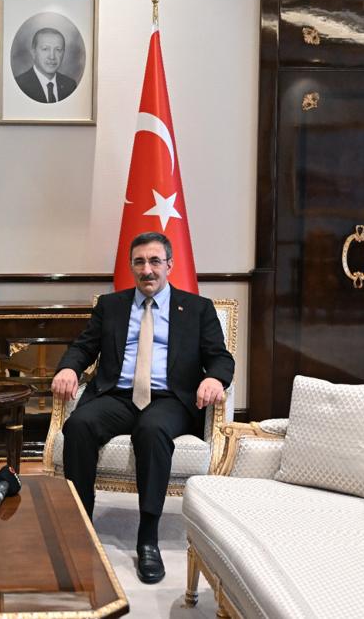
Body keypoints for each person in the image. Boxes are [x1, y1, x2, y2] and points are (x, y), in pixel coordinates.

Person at [51, 232, 233, 584]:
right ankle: (80, 525)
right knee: (79, 425)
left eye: (154, 261)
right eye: (139, 262)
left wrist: (214, 379)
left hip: (170, 399)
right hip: (117, 396)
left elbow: (220, 357)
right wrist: (69, 368)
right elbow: (84, 346)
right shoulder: (111, 306)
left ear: (169, 265)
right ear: (131, 266)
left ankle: (147, 538)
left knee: (151, 430)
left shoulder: (197, 309)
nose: (147, 269)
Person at [14, 27, 78, 103]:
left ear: (63, 53)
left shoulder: (70, 85)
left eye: (58, 50)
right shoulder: (19, 85)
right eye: (45, 49)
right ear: (33, 52)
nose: (52, 56)